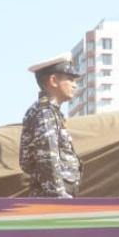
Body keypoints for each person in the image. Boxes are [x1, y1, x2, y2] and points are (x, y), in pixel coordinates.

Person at [19, 54, 82, 198]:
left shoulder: (50, 112)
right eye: (70, 79)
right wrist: (59, 196)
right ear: (53, 81)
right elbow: (48, 158)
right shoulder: (45, 112)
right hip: (51, 198)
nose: (74, 85)